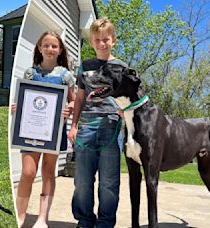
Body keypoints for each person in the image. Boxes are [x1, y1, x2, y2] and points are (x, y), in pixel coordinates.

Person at [68, 18, 128, 228]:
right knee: (82, 181)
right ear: (91, 42)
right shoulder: (85, 66)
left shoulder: (122, 67)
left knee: (109, 182)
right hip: (86, 128)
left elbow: (130, 97)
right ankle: (84, 221)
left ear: (114, 40)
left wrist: (126, 113)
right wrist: (73, 126)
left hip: (112, 127)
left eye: (106, 39)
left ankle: (105, 223)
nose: (102, 43)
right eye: (97, 40)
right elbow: (80, 98)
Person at [12, 31, 75, 228]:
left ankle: (42, 218)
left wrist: (69, 108)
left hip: (53, 133)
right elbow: (24, 99)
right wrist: (17, 106)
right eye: (46, 45)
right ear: (39, 48)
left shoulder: (66, 76)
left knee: (48, 172)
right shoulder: (31, 73)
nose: (50, 49)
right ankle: (20, 215)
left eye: (54, 46)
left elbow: (74, 102)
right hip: (30, 132)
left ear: (60, 50)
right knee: (28, 172)